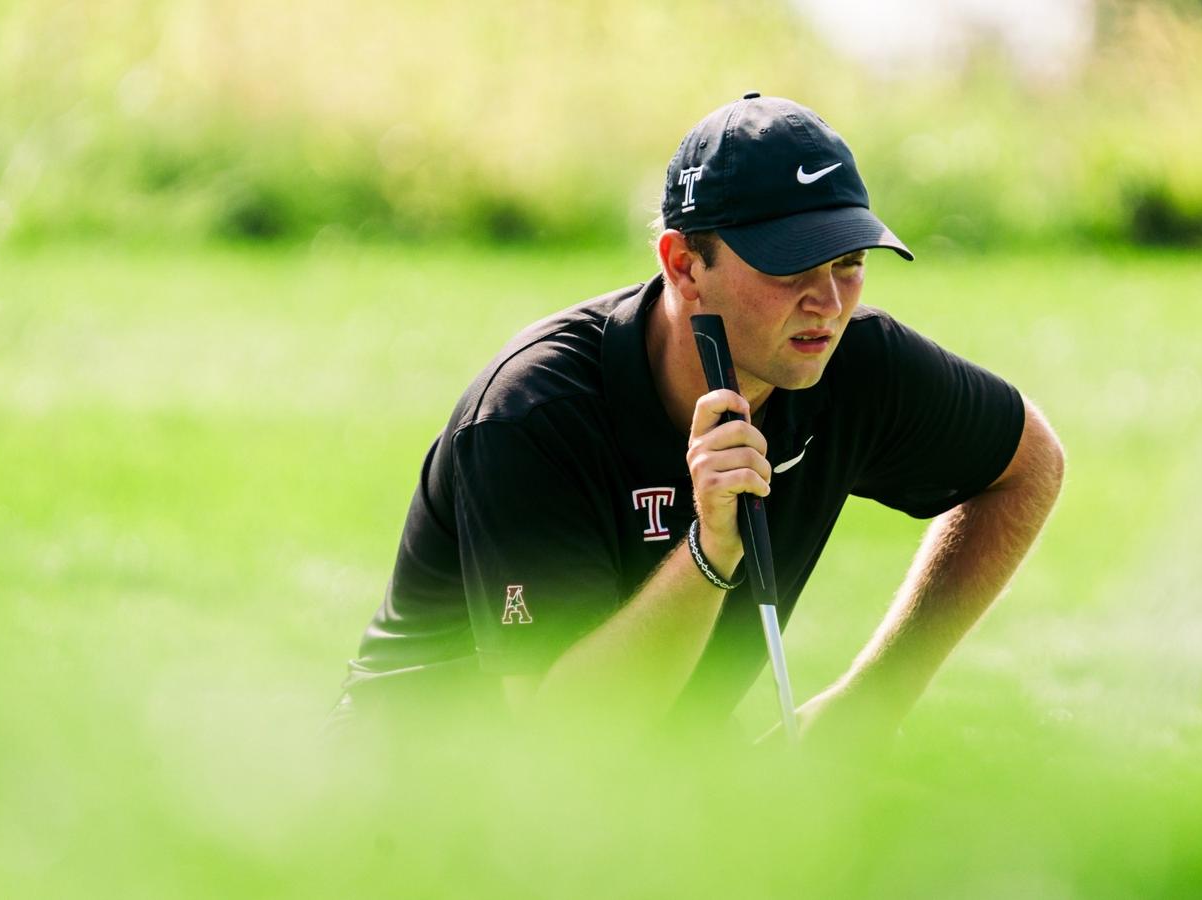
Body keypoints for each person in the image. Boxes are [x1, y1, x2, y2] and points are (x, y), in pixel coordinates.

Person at [337, 93, 1064, 745]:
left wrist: (870, 703)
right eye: (791, 265)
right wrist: (711, 550)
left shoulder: (852, 362)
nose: (828, 302)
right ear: (684, 265)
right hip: (418, 792)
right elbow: (562, 743)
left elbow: (1029, 464)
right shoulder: (530, 415)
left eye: (849, 261)